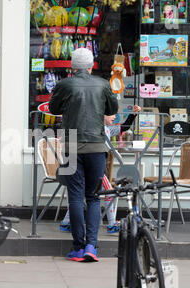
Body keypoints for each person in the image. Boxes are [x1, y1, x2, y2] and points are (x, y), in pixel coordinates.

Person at [49, 48, 118, 262]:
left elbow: (52, 108)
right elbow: (112, 108)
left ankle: (78, 247)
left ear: (72, 66)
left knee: (76, 196)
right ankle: (91, 246)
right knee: (94, 197)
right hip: (97, 147)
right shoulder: (103, 84)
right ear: (91, 66)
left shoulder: (65, 85)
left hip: (71, 146)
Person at [59, 105, 142, 234]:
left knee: (81, 196)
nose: (115, 116)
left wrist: (133, 114)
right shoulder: (95, 129)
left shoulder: (108, 129)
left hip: (93, 167)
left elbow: (125, 127)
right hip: (90, 167)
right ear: (100, 115)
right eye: (111, 114)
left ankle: (66, 222)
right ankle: (111, 223)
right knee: (109, 191)